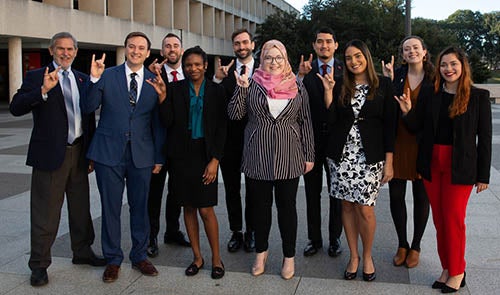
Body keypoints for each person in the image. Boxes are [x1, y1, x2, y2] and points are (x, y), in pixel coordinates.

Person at [10, 32, 105, 287]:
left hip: (79, 152)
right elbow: (16, 107)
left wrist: (91, 153)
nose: (65, 53)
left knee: (80, 208)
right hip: (51, 155)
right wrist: (42, 90)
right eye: (60, 49)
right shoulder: (36, 76)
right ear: (52, 50)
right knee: (46, 213)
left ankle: (82, 251)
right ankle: (39, 265)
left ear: (75, 51)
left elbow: (88, 117)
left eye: (70, 49)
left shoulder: (82, 79)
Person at [396, 46, 491, 293]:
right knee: (439, 221)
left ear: (462, 66)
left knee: (453, 220)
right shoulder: (431, 93)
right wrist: (407, 111)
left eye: (453, 64)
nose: (448, 69)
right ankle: (447, 267)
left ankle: (458, 271)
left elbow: (485, 139)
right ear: (438, 67)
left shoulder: (478, 97)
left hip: (460, 166)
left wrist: (483, 176)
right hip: (432, 163)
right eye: (444, 65)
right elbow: (417, 126)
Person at [81, 32, 166, 283]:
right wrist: (94, 78)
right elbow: (88, 107)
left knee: (140, 207)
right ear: (125, 48)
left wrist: (158, 157)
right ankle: (113, 259)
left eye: (141, 48)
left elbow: (158, 124)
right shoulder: (107, 75)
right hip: (109, 153)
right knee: (111, 208)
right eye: (132, 46)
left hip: (142, 154)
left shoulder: (154, 80)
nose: (136, 51)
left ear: (148, 53)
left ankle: (139, 255)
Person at [228, 39, 315, 280]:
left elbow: (305, 121)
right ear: (262, 59)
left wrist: (309, 154)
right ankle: (261, 252)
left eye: (278, 57)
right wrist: (241, 88)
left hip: (289, 154)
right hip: (258, 153)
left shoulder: (297, 84)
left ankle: (289, 257)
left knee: (287, 208)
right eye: (268, 57)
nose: (274, 62)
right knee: (260, 209)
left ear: (285, 59)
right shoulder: (252, 83)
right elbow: (235, 114)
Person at [320, 39, 396, 282]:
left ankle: (368, 255)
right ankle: (353, 256)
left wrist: (389, 161)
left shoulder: (383, 84)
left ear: (366, 57)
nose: (353, 61)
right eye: (349, 57)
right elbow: (331, 121)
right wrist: (329, 91)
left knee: (365, 209)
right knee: (346, 206)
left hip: (369, 157)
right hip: (341, 156)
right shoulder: (341, 84)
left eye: (358, 56)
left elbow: (390, 126)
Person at [158, 46, 227, 279]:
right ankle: (197, 257)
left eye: (198, 64)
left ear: (205, 66)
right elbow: (167, 122)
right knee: (187, 206)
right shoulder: (174, 88)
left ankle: (217, 258)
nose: (193, 68)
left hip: (206, 155)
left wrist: (215, 160)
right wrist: (162, 99)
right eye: (189, 65)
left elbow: (221, 128)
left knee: (206, 209)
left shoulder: (217, 92)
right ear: (184, 68)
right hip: (181, 156)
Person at [381, 36, 433, 268]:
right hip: (399, 143)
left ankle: (416, 246)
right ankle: (402, 243)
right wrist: (387, 81)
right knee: (396, 197)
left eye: (415, 47)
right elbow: (388, 109)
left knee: (422, 198)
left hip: (423, 145)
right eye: (406, 49)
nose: (411, 51)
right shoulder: (397, 76)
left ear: (424, 52)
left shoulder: (435, 78)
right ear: (402, 55)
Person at [297, 27, 344, 258]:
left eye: (328, 41)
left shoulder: (346, 70)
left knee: (336, 193)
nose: (324, 45)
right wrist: (301, 77)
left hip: (337, 142)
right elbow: (294, 101)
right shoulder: (305, 71)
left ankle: (335, 238)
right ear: (314, 46)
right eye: (319, 42)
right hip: (311, 142)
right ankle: (313, 239)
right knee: (312, 193)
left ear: (336, 45)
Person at [214, 28, 258, 253]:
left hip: (255, 141)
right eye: (237, 44)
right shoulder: (226, 70)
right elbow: (215, 103)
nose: (241, 47)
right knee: (231, 189)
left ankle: (251, 231)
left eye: (244, 42)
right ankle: (236, 231)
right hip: (229, 142)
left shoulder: (263, 69)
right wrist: (217, 80)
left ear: (252, 44)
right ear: (233, 47)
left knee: (253, 190)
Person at [146, 33, 190, 258]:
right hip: (158, 145)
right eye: (167, 46)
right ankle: (151, 235)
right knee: (154, 192)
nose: (172, 49)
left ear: (181, 50)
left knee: (176, 192)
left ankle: (172, 231)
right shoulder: (153, 73)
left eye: (176, 45)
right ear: (162, 51)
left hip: (182, 146)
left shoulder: (190, 73)